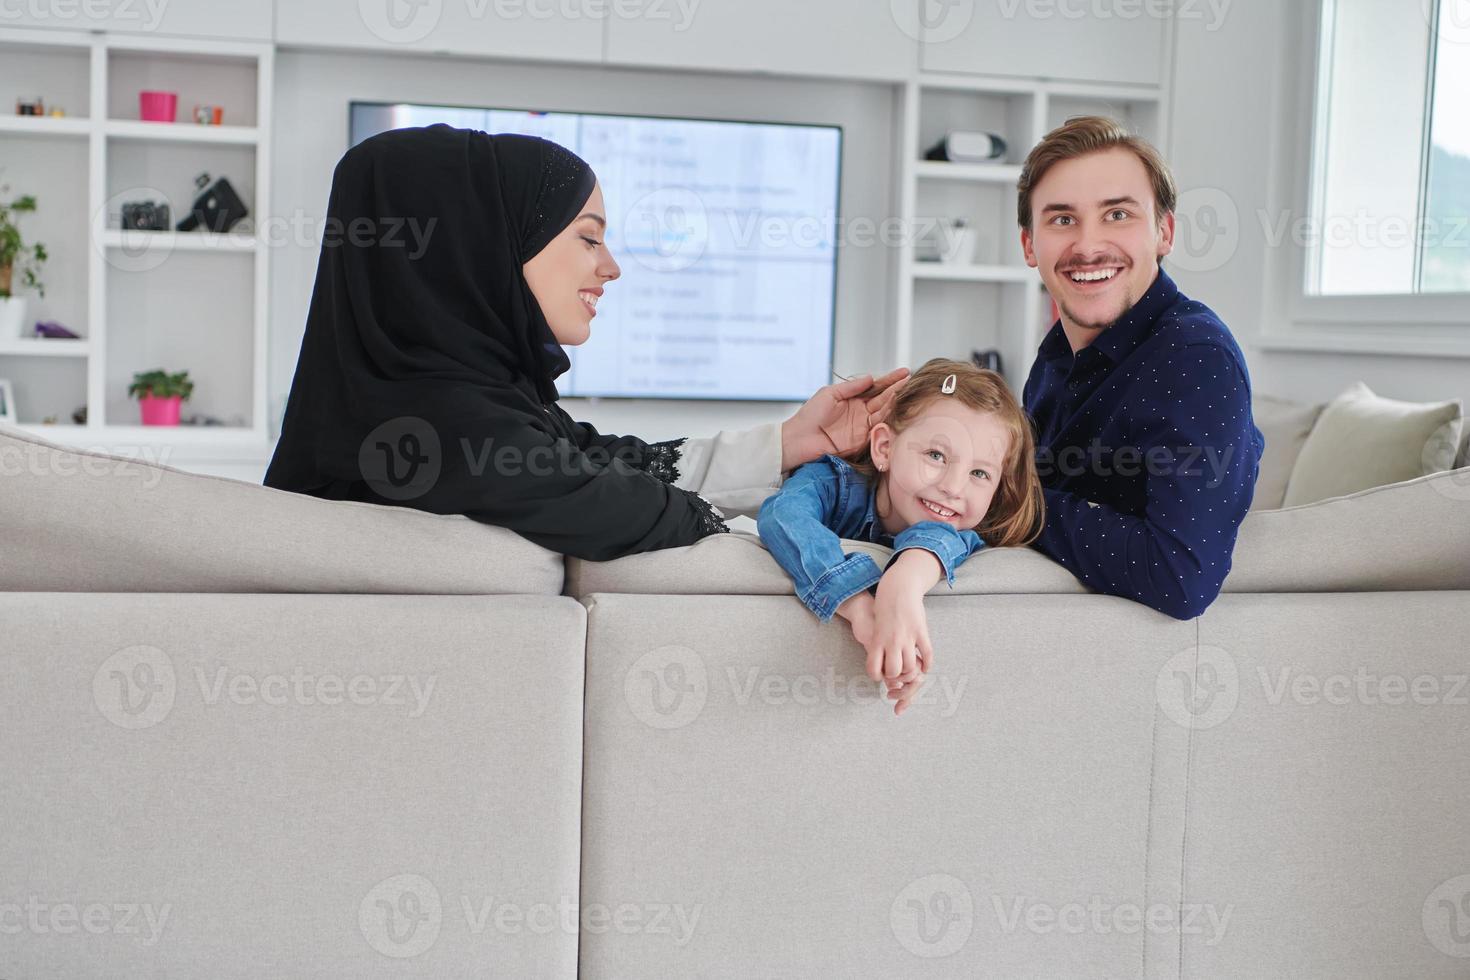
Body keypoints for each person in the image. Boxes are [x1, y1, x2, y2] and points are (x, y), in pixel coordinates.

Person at [265, 124, 906, 560]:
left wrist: (791, 443)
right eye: (588, 237)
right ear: (486, 246)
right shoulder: (436, 428)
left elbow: (602, 462)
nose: (611, 267)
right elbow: (610, 500)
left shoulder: (460, 401)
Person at [1016, 116, 1263, 619]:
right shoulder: (1057, 354)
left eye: (1118, 215)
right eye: (1062, 220)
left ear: (1164, 232)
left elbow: (1180, 578)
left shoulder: (1194, 358)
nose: (1087, 245)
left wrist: (1012, 503)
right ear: (1028, 245)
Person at [758, 359, 1044, 715]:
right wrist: (859, 606)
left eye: (979, 473)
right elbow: (782, 514)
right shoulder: (831, 484)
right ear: (884, 448)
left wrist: (903, 583)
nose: (953, 487)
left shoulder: (965, 532)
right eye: (936, 455)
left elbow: (939, 539)